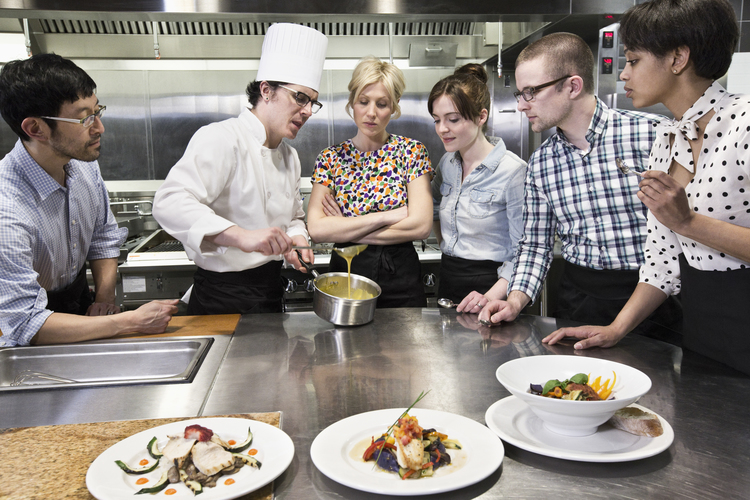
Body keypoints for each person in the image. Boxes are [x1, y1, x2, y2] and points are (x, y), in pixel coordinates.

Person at [544, 0, 750, 375]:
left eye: (634, 60)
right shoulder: (667, 139)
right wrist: (616, 329)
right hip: (702, 325)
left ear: (678, 58)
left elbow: (683, 227)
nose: (623, 74)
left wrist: (689, 223)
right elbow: (661, 261)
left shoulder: (744, 123)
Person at [479, 32, 682, 339]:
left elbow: (684, 227)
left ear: (573, 86)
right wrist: (515, 300)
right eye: (521, 94)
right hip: (578, 301)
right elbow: (535, 245)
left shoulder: (652, 135)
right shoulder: (541, 162)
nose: (522, 105)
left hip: (654, 299)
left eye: (531, 92)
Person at [0, 53, 178, 347]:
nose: (99, 128)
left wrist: (104, 299)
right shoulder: (8, 209)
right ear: (35, 129)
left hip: (79, 306)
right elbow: (23, 324)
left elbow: (103, 235)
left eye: (98, 111)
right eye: (84, 118)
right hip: (30, 339)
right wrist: (128, 322)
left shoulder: (82, 165)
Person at [153, 23, 328, 315]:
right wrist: (241, 236)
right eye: (300, 98)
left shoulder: (290, 156)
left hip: (271, 293)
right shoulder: (221, 138)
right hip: (221, 299)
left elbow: (295, 216)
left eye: (313, 102)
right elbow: (169, 202)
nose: (308, 111)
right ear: (266, 91)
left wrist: (298, 238)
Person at [307, 57, 433, 307]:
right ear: (352, 102)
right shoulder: (330, 158)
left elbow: (420, 227)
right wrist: (387, 216)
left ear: (394, 107)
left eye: (382, 104)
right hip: (346, 276)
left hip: (401, 276)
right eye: (363, 102)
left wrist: (347, 227)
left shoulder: (412, 151)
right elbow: (318, 230)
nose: (371, 113)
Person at [428, 64, 527, 310]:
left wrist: (491, 297)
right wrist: (447, 245)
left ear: (481, 116)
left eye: (453, 119)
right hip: (449, 277)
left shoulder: (513, 171)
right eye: (437, 120)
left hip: (493, 285)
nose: (442, 129)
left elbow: (524, 252)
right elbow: (433, 204)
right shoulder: (447, 164)